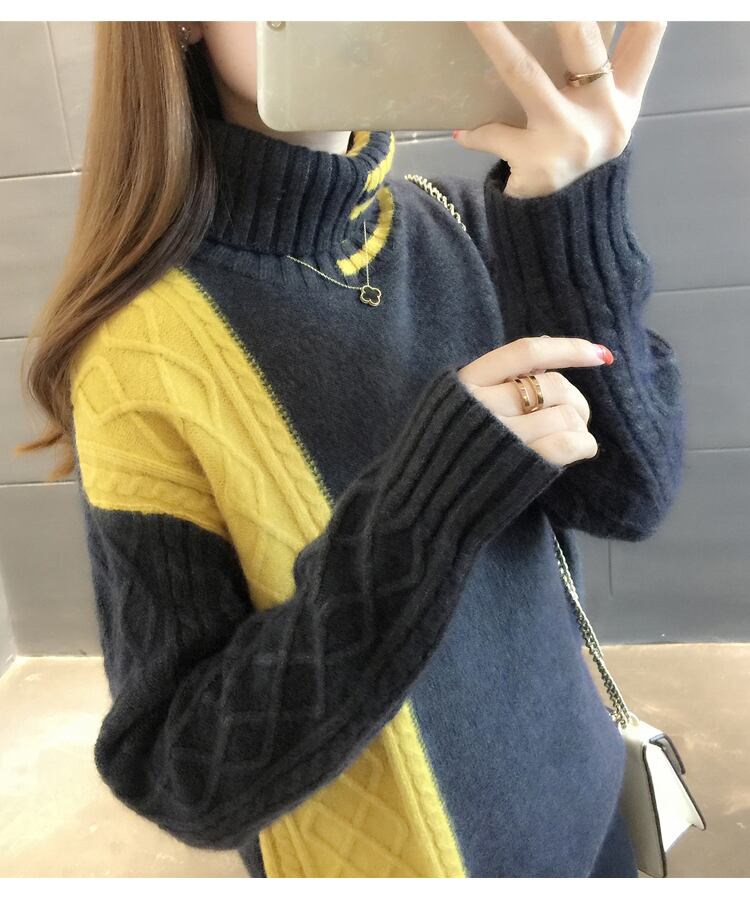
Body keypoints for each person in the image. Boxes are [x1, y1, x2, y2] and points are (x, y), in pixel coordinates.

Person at [18, 21, 680, 877]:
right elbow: (183, 777)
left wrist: (573, 208)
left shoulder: (468, 222)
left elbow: (628, 495)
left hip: (590, 820)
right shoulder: (141, 353)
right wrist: (425, 508)